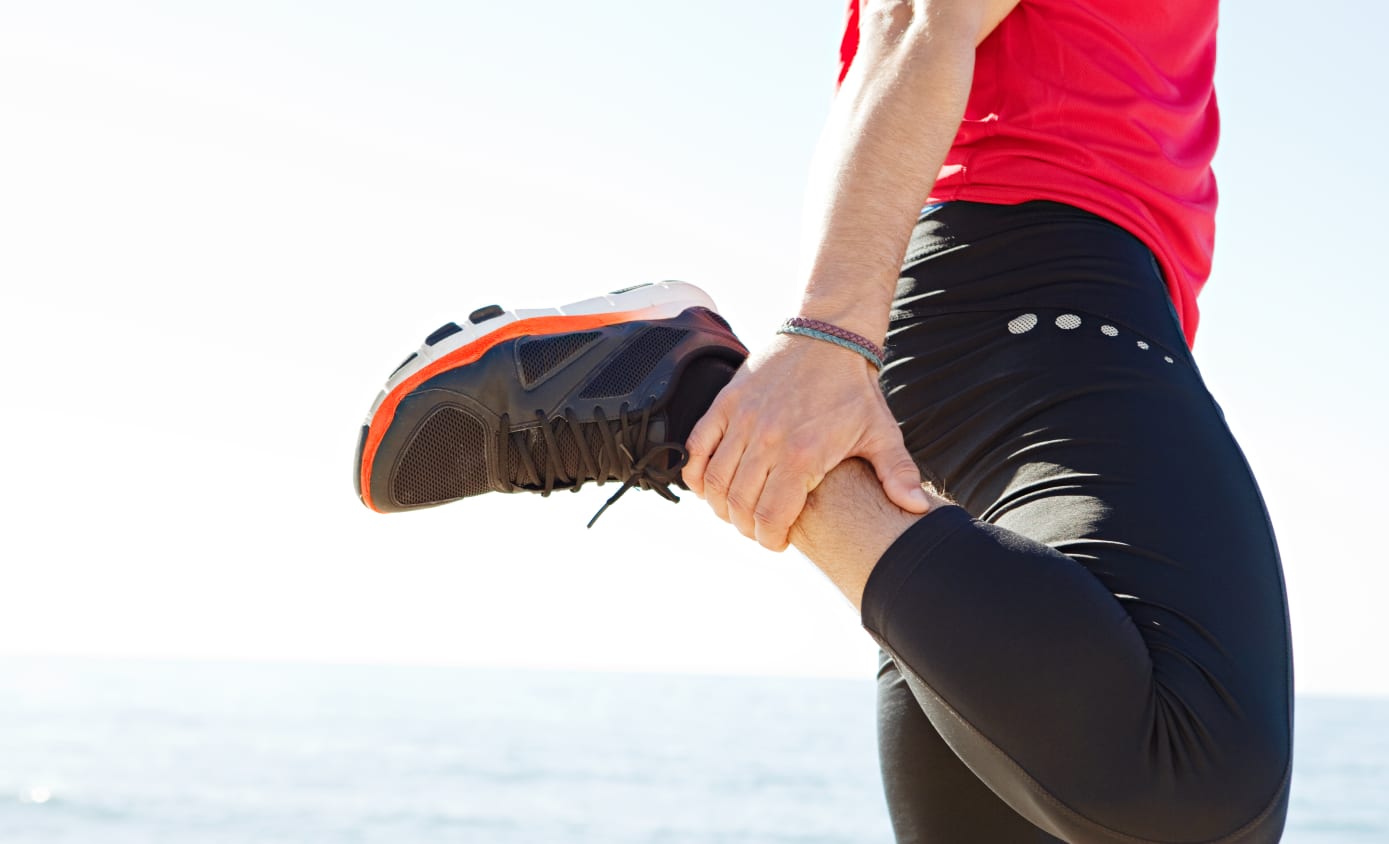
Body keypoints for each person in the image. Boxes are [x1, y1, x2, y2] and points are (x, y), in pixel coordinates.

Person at [353, 1, 1293, 840]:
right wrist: (828, 339)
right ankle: (688, 404)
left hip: (990, 344)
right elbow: (919, 16)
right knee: (1189, 784)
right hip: (1041, 302)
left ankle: (722, 422)